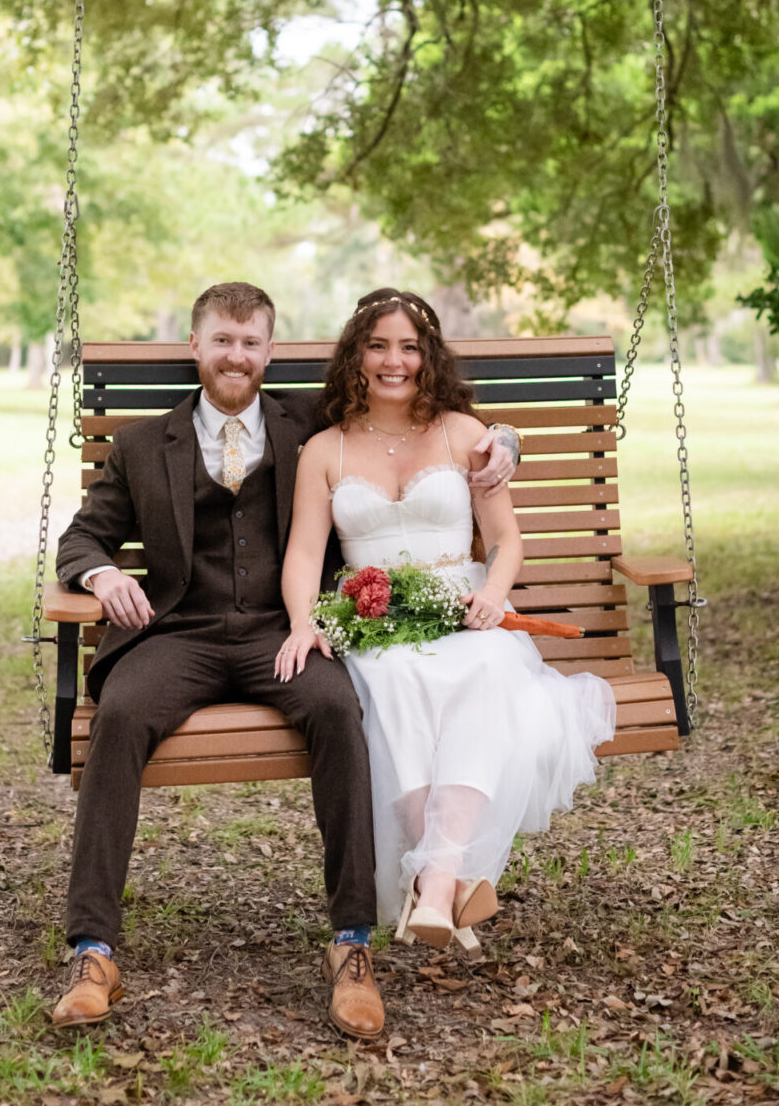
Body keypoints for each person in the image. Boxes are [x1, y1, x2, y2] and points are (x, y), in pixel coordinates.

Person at [50, 281, 516, 1037]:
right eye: (222, 341)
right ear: (196, 347)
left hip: (284, 633)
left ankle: (352, 946)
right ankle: (93, 950)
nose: (237, 356)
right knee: (121, 715)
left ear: (270, 351)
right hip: (180, 635)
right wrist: (101, 575)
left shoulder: (310, 421)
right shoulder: (140, 445)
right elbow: (82, 537)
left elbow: (415, 410)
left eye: (251, 342)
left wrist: (507, 444)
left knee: (338, 709)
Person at [276, 289, 617, 949]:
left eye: (408, 346)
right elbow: (303, 555)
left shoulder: (466, 434)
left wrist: (494, 592)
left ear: (428, 356)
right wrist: (300, 621)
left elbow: (507, 539)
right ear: (356, 356)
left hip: (464, 604)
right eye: (378, 346)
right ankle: (448, 883)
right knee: (396, 684)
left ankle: (431, 883)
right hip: (374, 615)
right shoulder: (324, 448)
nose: (394, 361)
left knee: (488, 671)